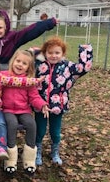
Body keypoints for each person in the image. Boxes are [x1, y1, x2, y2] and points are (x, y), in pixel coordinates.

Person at [31, 37, 93, 166]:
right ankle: (37, 151)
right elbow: (26, 61)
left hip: (58, 105)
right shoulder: (39, 65)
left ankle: (55, 151)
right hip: (41, 105)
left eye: (57, 53)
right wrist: (35, 52)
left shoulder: (68, 67)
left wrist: (85, 51)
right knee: (40, 130)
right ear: (45, 53)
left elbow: (83, 68)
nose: (53, 56)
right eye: (50, 53)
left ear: (63, 54)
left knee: (55, 131)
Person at [2, 50, 49, 176]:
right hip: (7, 110)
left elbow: (34, 97)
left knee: (31, 124)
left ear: (29, 68)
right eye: (18, 61)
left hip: (23, 110)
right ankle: (10, 160)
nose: (20, 65)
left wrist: (42, 104)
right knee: (11, 124)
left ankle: (28, 160)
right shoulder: (4, 76)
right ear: (13, 62)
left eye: (24, 63)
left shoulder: (29, 81)